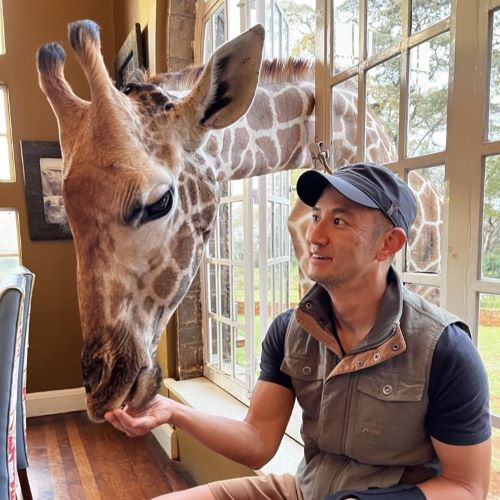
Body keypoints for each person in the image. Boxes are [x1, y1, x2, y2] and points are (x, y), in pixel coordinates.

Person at [105, 163, 492, 500]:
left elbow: (466, 487)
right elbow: (257, 442)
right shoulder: (289, 331)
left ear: (388, 244)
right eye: (317, 215)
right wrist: (172, 411)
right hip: (302, 491)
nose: (314, 234)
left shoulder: (445, 350)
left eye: (339, 221)